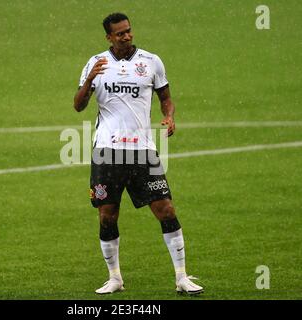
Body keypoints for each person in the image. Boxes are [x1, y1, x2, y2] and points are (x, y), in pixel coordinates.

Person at [73, 13, 203, 295]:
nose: (127, 36)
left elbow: (165, 98)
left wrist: (169, 117)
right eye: (119, 34)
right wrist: (89, 81)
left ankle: (181, 277)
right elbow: (78, 105)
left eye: (128, 31)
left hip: (143, 150)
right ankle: (115, 278)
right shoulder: (96, 63)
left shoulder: (151, 61)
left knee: (166, 209)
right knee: (107, 215)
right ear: (109, 37)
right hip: (107, 151)